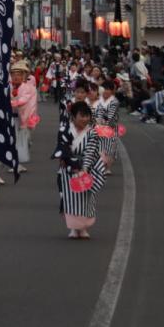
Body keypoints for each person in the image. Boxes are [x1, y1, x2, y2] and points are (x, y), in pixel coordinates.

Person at [57, 101, 108, 239]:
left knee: (86, 199)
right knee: (70, 199)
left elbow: (90, 151)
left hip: (87, 169)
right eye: (81, 116)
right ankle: (74, 228)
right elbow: (62, 147)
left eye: (87, 116)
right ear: (73, 116)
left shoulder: (92, 133)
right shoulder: (65, 129)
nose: (85, 119)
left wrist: (84, 169)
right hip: (68, 169)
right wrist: (66, 160)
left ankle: (84, 228)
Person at [9, 61, 38, 168]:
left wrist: (9, 103)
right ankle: (14, 163)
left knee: (23, 141)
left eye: (19, 74)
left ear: (24, 76)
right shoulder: (8, 87)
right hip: (10, 118)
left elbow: (23, 101)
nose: (16, 77)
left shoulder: (27, 88)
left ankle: (17, 163)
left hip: (23, 119)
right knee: (12, 141)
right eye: (14, 74)